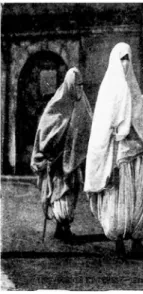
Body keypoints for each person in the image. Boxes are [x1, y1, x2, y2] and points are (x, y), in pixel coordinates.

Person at [84, 42, 143, 259]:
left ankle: (138, 239)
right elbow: (102, 125)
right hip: (118, 154)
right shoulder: (108, 90)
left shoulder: (134, 89)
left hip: (137, 153)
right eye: (121, 58)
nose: (124, 63)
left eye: (127, 59)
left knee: (138, 199)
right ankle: (120, 239)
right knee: (119, 197)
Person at [31, 67, 92, 242]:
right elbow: (45, 128)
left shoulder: (83, 105)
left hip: (73, 159)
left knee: (71, 193)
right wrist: (50, 148)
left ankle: (64, 225)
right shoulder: (57, 104)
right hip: (57, 162)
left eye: (81, 85)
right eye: (76, 84)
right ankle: (62, 225)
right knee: (60, 192)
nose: (79, 88)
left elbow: (88, 128)